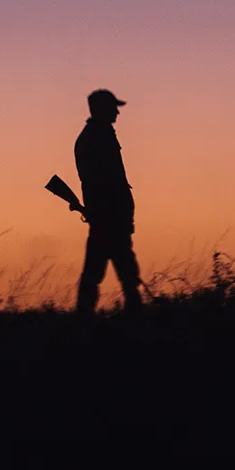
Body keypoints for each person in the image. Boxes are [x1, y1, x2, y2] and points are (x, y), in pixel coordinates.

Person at [74, 88, 143, 313]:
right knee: (120, 274)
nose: (117, 113)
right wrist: (113, 213)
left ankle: (84, 320)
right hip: (109, 218)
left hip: (108, 217)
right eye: (113, 108)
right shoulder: (98, 137)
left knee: (111, 273)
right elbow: (106, 181)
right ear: (102, 109)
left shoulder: (98, 135)